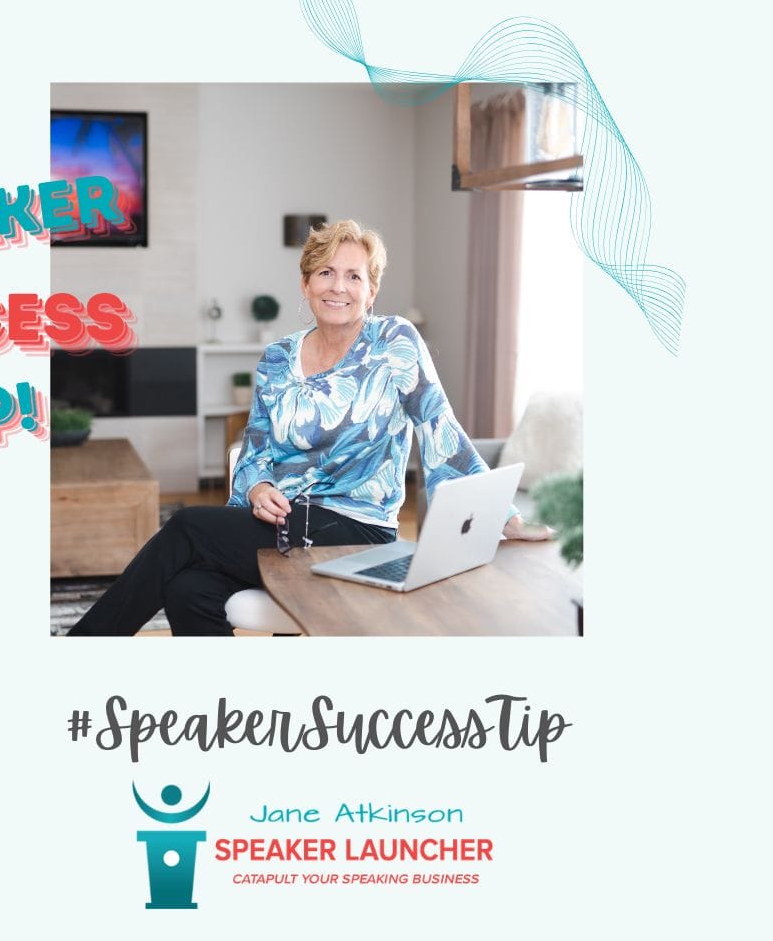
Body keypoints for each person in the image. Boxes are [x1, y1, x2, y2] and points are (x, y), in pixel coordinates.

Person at [67, 219, 547, 637]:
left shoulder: (394, 342)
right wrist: (257, 487)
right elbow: (254, 448)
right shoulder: (278, 357)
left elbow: (441, 429)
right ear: (305, 284)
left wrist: (502, 515)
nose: (338, 286)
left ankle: (82, 648)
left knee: (189, 525)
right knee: (187, 589)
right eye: (326, 273)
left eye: (353, 276)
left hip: (357, 526)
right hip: (281, 521)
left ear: (371, 290)